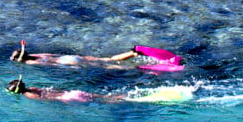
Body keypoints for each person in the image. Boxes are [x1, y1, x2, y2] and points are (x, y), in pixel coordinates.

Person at [10, 40, 184, 72]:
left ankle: (141, 68)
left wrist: (18, 60)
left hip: (71, 63)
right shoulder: (37, 55)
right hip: (73, 57)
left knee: (110, 67)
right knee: (107, 60)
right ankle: (134, 52)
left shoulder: (33, 63)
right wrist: (23, 52)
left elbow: (22, 60)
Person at [4, 77, 126, 103]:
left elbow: (48, 99)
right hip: (69, 93)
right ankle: (119, 97)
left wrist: (63, 102)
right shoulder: (32, 88)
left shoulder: (29, 95)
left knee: (97, 102)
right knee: (96, 96)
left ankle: (117, 100)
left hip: (67, 98)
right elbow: (52, 91)